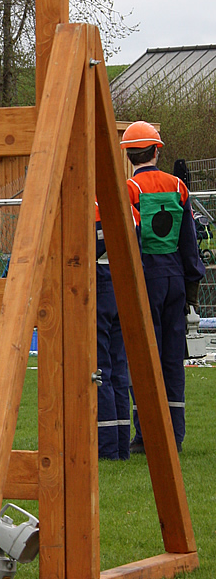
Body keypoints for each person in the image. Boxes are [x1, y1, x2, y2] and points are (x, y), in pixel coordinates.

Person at [121, 122, 205, 454]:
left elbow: (131, 241)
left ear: (129, 155)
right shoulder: (179, 187)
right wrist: (190, 288)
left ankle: (147, 435)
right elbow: (190, 245)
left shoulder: (128, 190)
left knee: (144, 359)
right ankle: (175, 434)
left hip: (146, 278)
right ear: (157, 151)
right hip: (175, 280)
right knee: (173, 359)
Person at [95, 202, 130, 460]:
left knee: (100, 369)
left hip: (97, 287)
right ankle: (121, 445)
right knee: (118, 369)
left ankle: (106, 448)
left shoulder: (85, 207)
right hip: (121, 286)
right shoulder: (123, 206)